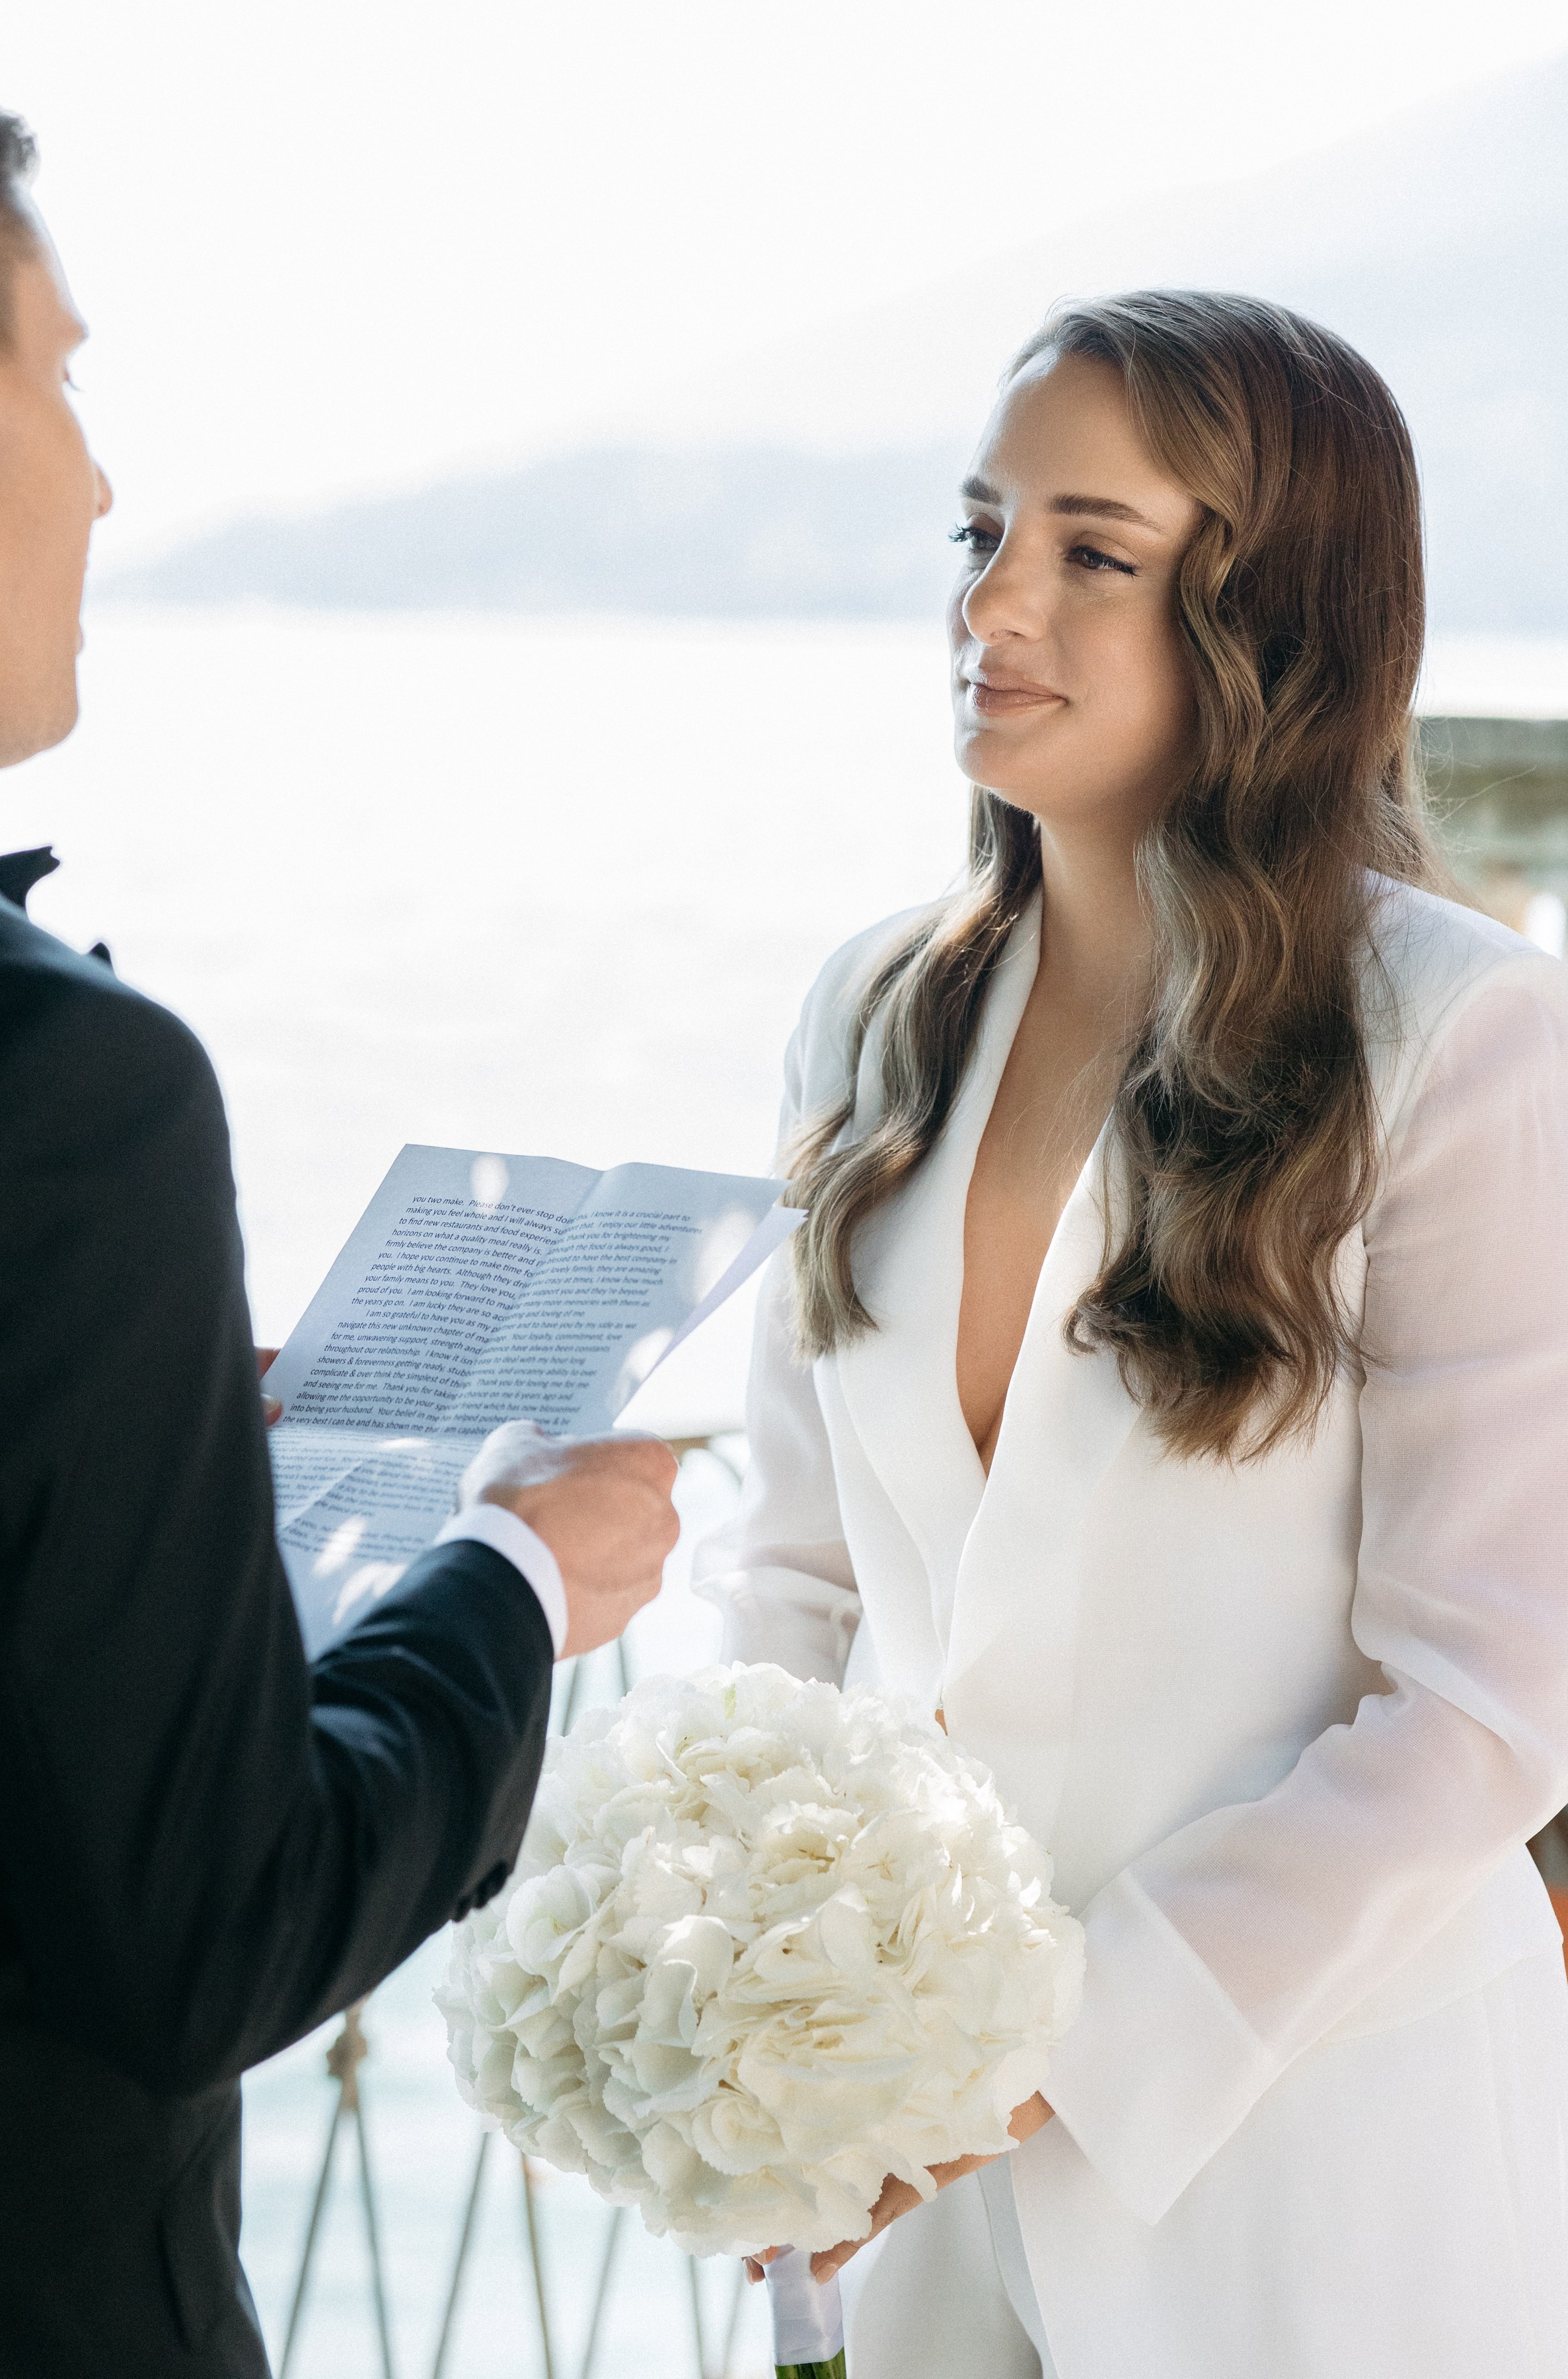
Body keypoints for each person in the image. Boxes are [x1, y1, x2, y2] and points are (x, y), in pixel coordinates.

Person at [701, 290, 1568, 2377]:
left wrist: (1031, 2060)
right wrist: (739, 2000)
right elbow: (799, 1580)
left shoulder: (1465, 1042)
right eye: (982, 531)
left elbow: (1479, 1705)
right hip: (899, 2207)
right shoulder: (872, 1011)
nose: (995, 602)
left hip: (1321, 2177)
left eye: (1095, 551)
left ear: (1274, 617)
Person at [0, 108, 680, 2378]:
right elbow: (203, 1934)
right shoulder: (63, 1093)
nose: (98, 483)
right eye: (58, 377)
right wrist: (520, 1580)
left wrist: (151, 1429)